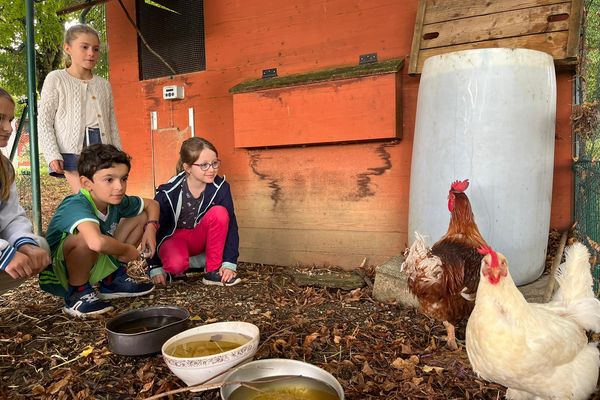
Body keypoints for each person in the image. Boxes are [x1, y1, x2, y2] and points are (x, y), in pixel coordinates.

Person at [39, 144, 160, 317]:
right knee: (84, 239)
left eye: (123, 179)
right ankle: (77, 293)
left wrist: (151, 228)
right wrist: (127, 250)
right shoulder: (76, 204)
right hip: (60, 273)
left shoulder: (114, 200)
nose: (119, 186)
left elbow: (152, 204)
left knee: (141, 215)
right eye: (109, 180)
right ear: (87, 183)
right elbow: (96, 242)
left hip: (93, 257)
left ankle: (112, 280)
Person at [38, 24, 121, 194]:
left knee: (105, 198)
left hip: (103, 147)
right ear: (67, 48)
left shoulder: (104, 85)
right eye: (84, 47)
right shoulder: (56, 79)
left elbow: (111, 122)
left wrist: (119, 154)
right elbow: (44, 121)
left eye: (96, 49)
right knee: (86, 198)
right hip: (72, 150)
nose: (91, 53)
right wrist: (52, 154)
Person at [148, 137, 241, 287]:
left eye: (214, 163)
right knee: (175, 265)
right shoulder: (167, 192)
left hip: (199, 236)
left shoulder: (222, 188)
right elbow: (153, 229)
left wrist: (229, 263)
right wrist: (154, 266)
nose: (211, 169)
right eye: (204, 165)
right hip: (174, 239)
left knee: (220, 213)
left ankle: (212, 270)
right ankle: (180, 263)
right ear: (188, 167)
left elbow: (231, 226)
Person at [0, 88, 51, 295]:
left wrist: (24, 244)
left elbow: (10, 217)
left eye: (10, 120)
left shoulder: (3, 168)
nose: (8, 128)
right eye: (0, 119)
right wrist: (4, 254)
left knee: (39, 245)